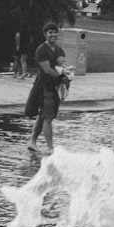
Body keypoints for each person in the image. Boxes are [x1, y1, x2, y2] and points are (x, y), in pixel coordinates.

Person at [25, 21, 71, 153]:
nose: (53, 35)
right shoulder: (41, 50)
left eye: (55, 32)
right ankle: (51, 148)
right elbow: (47, 70)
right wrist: (61, 75)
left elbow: (62, 64)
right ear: (45, 34)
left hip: (55, 87)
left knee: (43, 115)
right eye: (50, 32)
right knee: (48, 117)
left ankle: (32, 141)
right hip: (45, 87)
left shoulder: (59, 50)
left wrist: (67, 73)